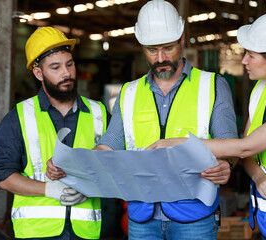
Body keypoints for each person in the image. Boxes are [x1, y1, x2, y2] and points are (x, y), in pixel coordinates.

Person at [47, 0, 237, 239]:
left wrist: (226, 165)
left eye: (168, 48)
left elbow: (230, 144)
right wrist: (70, 164)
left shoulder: (212, 85)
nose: (160, 58)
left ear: (181, 40)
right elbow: (109, 146)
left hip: (194, 215)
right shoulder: (129, 92)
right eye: (151, 50)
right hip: (142, 216)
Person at [148, 12, 266, 240]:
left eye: (251, 55)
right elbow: (247, 153)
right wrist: (259, 176)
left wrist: (178, 143)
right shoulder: (261, 91)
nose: (244, 60)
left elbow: (245, 147)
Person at [0, 26, 108, 240]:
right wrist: (48, 189)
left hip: (85, 233)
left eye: (70, 64)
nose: (66, 73)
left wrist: (89, 183)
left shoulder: (98, 113)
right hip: (36, 233)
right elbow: (2, 175)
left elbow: (116, 165)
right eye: (55, 67)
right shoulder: (19, 116)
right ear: (38, 73)